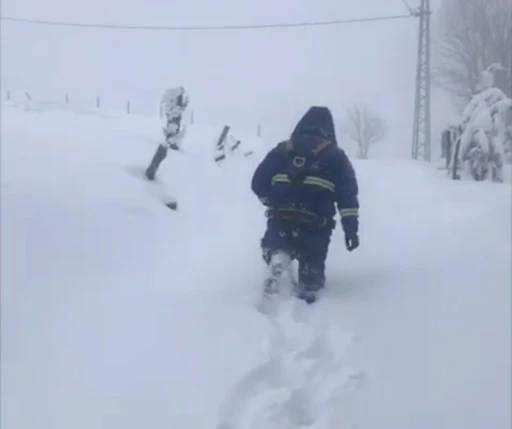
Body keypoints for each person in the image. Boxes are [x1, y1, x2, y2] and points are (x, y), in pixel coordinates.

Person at [251, 106, 359, 303]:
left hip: (280, 219)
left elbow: (258, 182)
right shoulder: (335, 156)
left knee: (277, 245)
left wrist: (270, 201)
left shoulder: (281, 150)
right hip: (315, 225)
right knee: (312, 276)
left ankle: (278, 258)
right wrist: (351, 229)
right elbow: (347, 196)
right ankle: (308, 285)